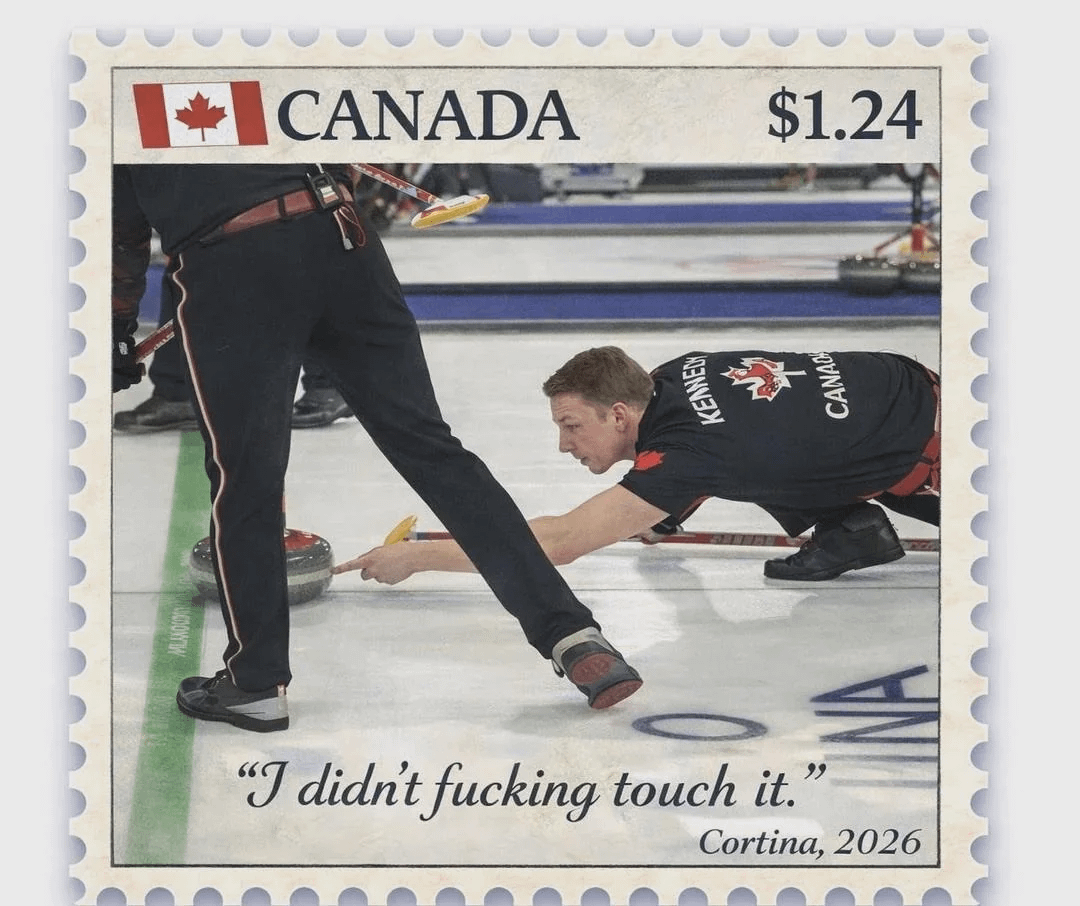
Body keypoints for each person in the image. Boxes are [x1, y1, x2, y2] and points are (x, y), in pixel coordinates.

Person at [112, 166, 642, 733]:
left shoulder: (123, 112)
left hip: (234, 262)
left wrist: (115, 328)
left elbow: (118, 231)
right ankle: (569, 632)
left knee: (247, 479)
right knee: (434, 451)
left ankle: (255, 683)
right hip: (341, 237)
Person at [335, 345, 939, 585]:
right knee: (758, 446)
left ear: (619, 413)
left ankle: (850, 524)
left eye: (572, 425)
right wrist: (663, 512)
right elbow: (731, 430)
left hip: (935, 449)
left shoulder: (685, 455)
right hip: (901, 383)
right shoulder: (672, 375)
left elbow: (560, 542)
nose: (565, 445)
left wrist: (418, 558)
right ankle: (848, 528)